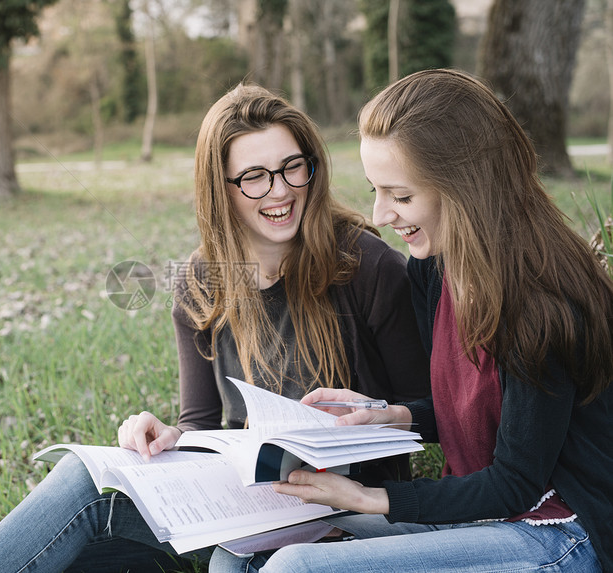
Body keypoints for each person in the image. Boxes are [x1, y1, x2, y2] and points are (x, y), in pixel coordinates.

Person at [0, 84, 431, 573]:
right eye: (254, 178)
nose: (280, 190)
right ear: (219, 188)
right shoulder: (202, 281)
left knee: (230, 563)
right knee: (82, 490)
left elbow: (432, 414)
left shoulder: (367, 266)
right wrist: (167, 436)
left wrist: (376, 418)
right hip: (242, 506)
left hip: (346, 516)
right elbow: (200, 425)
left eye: (291, 167)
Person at [210, 68, 613, 573]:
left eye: (401, 197)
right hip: (475, 511)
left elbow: (516, 482)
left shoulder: (540, 304)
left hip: (557, 533)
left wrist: (369, 497)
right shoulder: (434, 268)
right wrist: (391, 415)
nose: (379, 215)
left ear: (467, 189)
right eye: (377, 190)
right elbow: (470, 408)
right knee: (243, 548)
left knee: (297, 567)